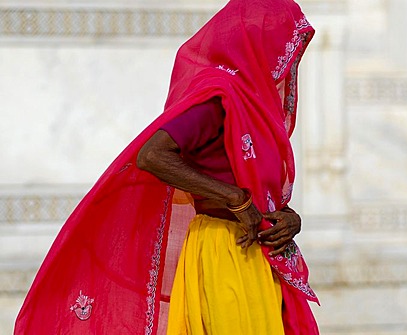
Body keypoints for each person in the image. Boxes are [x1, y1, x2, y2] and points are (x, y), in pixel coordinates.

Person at [14, 0, 319, 334]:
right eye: (282, 45)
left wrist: (289, 218)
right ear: (257, 42)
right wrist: (234, 199)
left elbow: (265, 190)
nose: (286, 60)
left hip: (257, 254)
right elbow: (153, 155)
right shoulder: (219, 97)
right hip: (225, 253)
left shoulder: (254, 106)